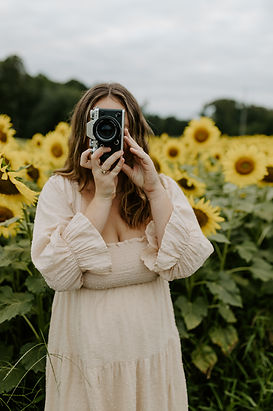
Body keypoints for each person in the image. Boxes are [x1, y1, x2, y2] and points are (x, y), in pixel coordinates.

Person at [31, 82, 214, 411]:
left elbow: (186, 262)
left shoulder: (159, 188)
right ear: (84, 130)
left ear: (135, 132)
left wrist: (155, 190)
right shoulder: (61, 191)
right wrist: (102, 196)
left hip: (151, 352)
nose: (110, 133)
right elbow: (58, 274)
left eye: (120, 126)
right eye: (102, 122)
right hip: (86, 356)